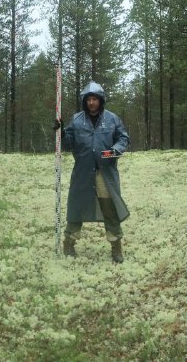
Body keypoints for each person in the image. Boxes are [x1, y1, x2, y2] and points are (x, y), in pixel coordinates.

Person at [53, 80, 130, 263]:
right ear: (85, 101)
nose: (91, 103)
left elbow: (123, 138)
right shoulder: (77, 120)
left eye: (95, 99)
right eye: (89, 99)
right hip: (82, 171)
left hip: (105, 172)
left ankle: (116, 245)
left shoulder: (112, 119)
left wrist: (115, 150)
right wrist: (61, 132)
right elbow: (69, 143)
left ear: (101, 100)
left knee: (109, 207)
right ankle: (69, 242)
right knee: (76, 205)